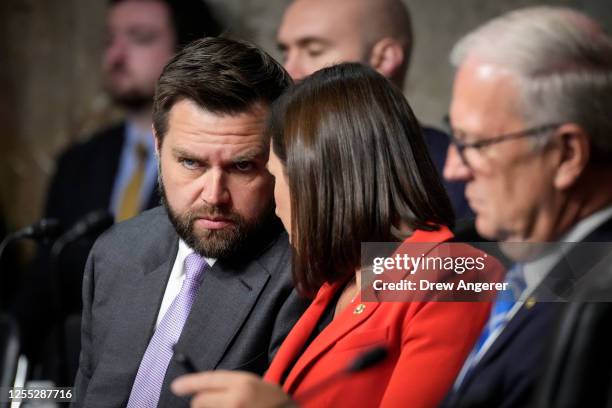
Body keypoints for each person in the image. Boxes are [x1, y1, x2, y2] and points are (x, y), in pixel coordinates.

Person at [170, 63, 500, 408]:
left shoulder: (456, 275)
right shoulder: (338, 281)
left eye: (274, 177)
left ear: (313, 180)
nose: (275, 203)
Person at [72, 37, 308, 407]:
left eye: (242, 166)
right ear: (157, 144)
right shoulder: (115, 252)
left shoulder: (305, 276)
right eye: (191, 163)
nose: (214, 195)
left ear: (281, 157)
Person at [10, 0, 224, 368]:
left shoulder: (218, 163)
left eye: (140, 38)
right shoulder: (79, 161)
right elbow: (42, 285)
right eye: (110, 39)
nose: (115, 55)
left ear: (187, 52)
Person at [440, 6, 612, 407]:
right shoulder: (557, 267)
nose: (454, 167)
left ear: (566, 154)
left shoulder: (597, 306)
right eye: (454, 136)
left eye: (476, 144)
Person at [276, 0, 471, 219]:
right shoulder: (274, 169)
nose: (288, 72)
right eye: (285, 54)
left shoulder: (459, 178)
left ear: (384, 58)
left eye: (314, 51)